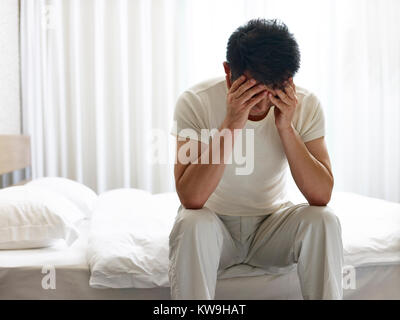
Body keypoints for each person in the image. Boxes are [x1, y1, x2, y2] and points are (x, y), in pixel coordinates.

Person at [168, 18, 344, 300]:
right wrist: (232, 122)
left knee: (323, 219)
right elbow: (191, 197)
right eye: (252, 87)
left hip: (272, 228)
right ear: (229, 73)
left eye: (274, 86)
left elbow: (321, 194)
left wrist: (285, 127)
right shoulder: (195, 101)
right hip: (215, 228)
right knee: (191, 223)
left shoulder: (305, 104)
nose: (263, 101)